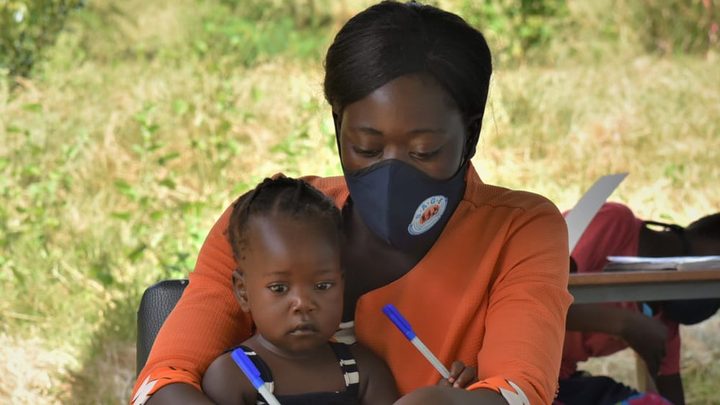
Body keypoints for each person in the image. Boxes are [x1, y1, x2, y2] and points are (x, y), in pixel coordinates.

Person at [131, 2, 572, 404]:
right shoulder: (264, 222)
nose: (393, 176)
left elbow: (520, 391)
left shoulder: (518, 231)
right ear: (338, 127)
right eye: (366, 147)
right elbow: (164, 378)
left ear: (470, 136)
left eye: (423, 152)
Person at [201, 176, 476, 404]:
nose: (302, 302)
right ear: (243, 292)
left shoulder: (362, 371)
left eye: (322, 286)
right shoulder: (233, 377)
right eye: (279, 288)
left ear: (341, 284)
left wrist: (445, 396)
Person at [558, 202, 720, 405]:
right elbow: (535, 296)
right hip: (516, 367)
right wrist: (626, 324)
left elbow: (668, 388)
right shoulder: (614, 222)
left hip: (556, 382)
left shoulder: (661, 319)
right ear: (704, 237)